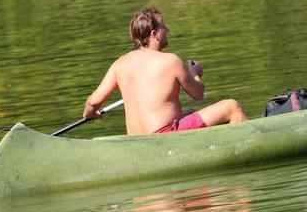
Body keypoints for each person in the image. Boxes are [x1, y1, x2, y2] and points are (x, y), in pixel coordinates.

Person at [83, 8, 247, 135]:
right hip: (164, 137)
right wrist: (195, 74)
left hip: (137, 141)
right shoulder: (171, 61)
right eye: (163, 27)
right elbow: (198, 95)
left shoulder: (119, 64)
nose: (167, 30)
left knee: (189, 114)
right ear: (154, 34)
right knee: (232, 107)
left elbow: (92, 103)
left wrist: (91, 114)